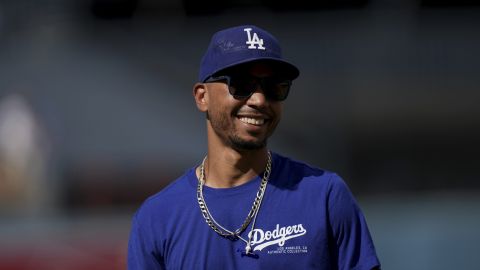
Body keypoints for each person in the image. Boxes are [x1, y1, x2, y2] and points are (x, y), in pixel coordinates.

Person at [127, 24, 381, 270]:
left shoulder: (325, 195)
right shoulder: (157, 218)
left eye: (273, 87)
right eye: (241, 85)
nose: (259, 100)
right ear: (202, 97)